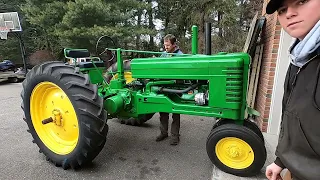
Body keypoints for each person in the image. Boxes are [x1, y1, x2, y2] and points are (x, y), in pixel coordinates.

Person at [265, 0, 320, 180]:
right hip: (296, 169)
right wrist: (281, 160)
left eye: (301, 1)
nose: (289, 14)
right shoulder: (299, 58)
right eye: (282, 10)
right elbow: (294, 117)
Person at [156, 34, 183, 145]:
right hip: (164, 87)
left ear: (174, 45)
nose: (165, 47)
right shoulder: (164, 54)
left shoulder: (180, 56)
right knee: (163, 111)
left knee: (175, 112)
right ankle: (163, 133)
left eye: (167, 45)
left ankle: (175, 136)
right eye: (164, 45)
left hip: (176, 88)